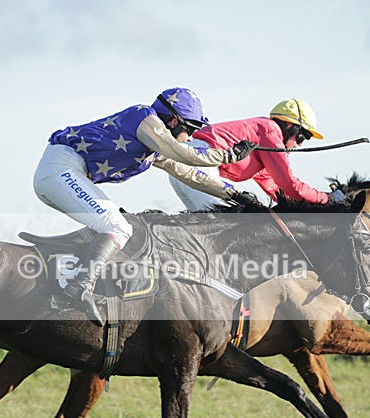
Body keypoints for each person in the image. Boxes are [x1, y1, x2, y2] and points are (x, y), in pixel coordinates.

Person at [33, 87, 257, 325]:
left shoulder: (154, 146)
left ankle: (77, 283)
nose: (191, 137)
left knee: (118, 225)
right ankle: (79, 287)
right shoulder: (143, 119)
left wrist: (235, 194)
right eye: (190, 129)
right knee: (118, 227)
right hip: (60, 169)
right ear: (173, 120)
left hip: (67, 173)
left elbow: (192, 174)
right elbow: (182, 153)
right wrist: (228, 155)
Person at [161, 98, 346, 211]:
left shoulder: (264, 147)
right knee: (220, 230)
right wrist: (325, 198)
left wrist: (314, 205)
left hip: (190, 169)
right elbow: (290, 184)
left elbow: (279, 191)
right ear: (289, 125)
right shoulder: (270, 131)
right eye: (302, 137)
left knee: (204, 234)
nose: (298, 145)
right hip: (198, 166)